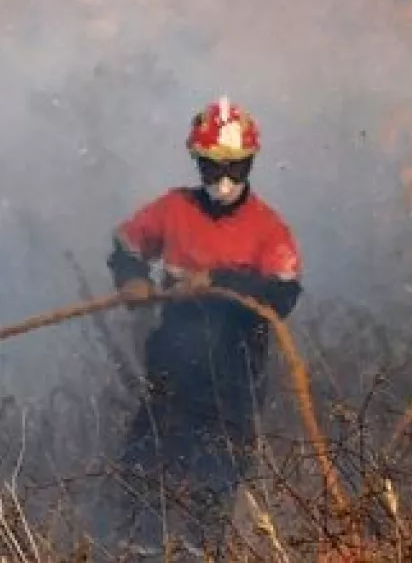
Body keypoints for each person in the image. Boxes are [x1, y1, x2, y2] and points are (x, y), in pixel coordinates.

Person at [103, 97, 302, 557]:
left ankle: (199, 551)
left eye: (235, 168)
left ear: (251, 163)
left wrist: (216, 280)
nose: (225, 181)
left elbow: (283, 293)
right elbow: (127, 243)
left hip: (234, 374)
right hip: (172, 367)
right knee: (144, 465)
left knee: (217, 472)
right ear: (198, 163)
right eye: (213, 169)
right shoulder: (173, 209)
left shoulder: (268, 228)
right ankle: (135, 549)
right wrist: (132, 277)